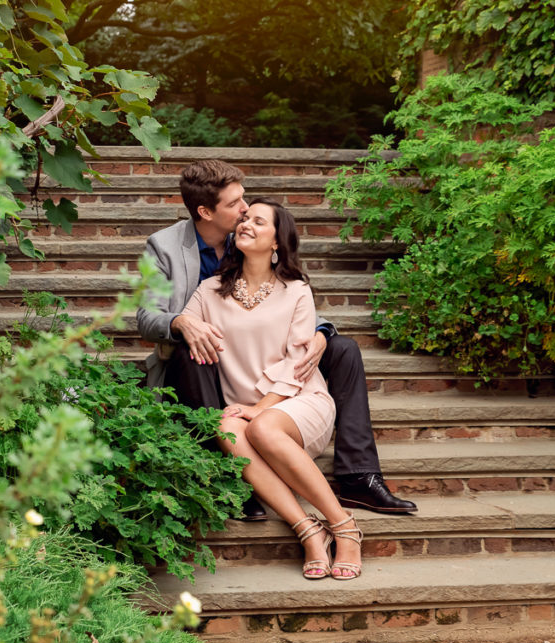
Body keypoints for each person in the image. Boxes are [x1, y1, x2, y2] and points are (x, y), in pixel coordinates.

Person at [137, 160, 416, 518]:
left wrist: (321, 332)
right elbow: (146, 317)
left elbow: (287, 293)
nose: (244, 210)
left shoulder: (252, 236)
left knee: (343, 348)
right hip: (202, 363)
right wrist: (180, 323)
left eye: (245, 200)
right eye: (235, 204)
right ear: (205, 211)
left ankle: (358, 475)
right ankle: (231, 475)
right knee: (192, 351)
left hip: (260, 349)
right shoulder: (165, 247)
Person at [182, 201, 362, 579]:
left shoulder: (296, 291)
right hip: (245, 411)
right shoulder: (210, 289)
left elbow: (298, 363)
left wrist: (261, 406)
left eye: (257, 221)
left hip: (299, 403)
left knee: (260, 426)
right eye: (244, 218)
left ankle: (344, 527)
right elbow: (180, 321)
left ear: (277, 242)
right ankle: (308, 529)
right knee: (225, 426)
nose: (245, 223)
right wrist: (182, 321)